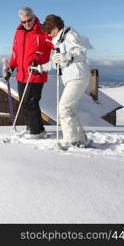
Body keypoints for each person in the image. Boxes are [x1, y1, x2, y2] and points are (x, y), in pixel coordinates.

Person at [29, 14, 91, 149]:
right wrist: (39, 68)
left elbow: (81, 52)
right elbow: (55, 61)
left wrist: (66, 56)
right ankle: (80, 138)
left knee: (64, 108)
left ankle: (71, 141)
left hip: (78, 75)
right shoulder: (58, 41)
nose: (49, 35)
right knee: (69, 109)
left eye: (50, 32)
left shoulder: (70, 35)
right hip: (71, 77)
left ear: (56, 28)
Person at [2, 7, 53, 138]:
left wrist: (42, 61)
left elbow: (56, 46)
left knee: (31, 102)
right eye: (23, 21)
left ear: (34, 17)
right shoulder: (18, 33)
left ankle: (37, 132)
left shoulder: (43, 31)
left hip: (36, 73)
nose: (26, 24)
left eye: (28, 20)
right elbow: (15, 54)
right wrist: (10, 69)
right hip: (22, 74)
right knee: (24, 102)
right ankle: (33, 127)